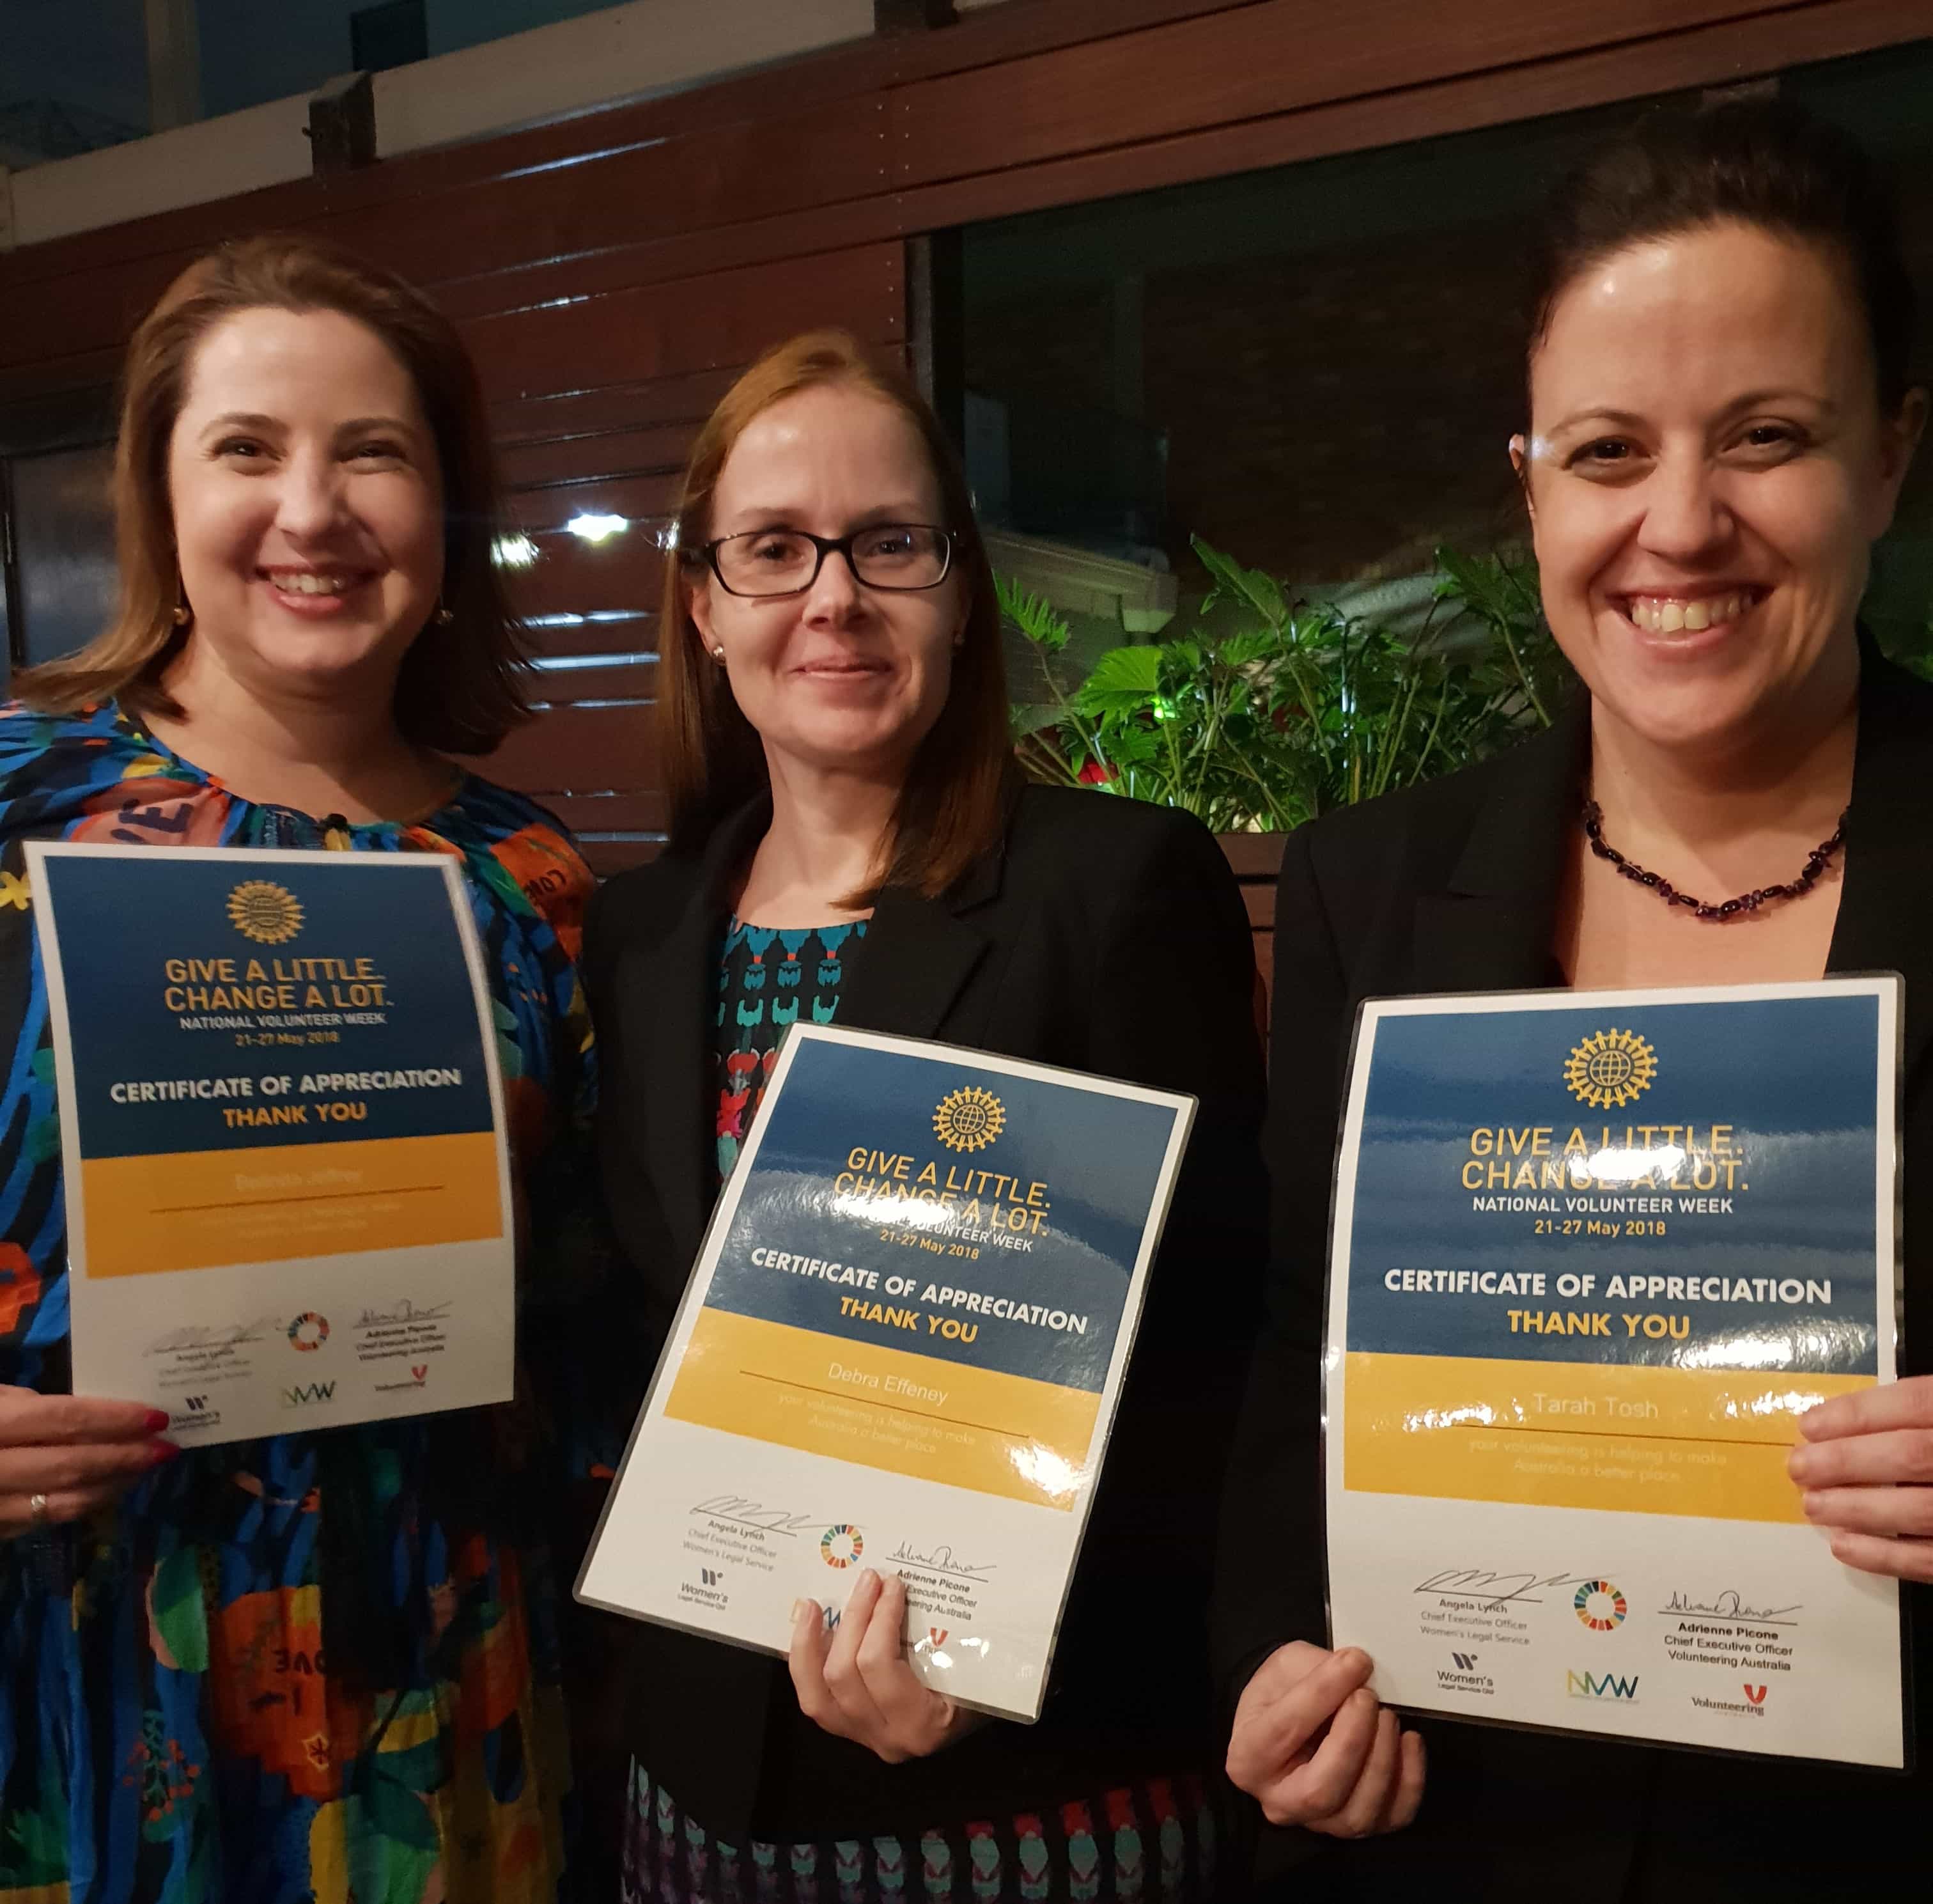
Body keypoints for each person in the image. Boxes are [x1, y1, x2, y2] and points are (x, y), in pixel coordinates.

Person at [1213, 97, 1930, 1898]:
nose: (1679, 524)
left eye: (1767, 437)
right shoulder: (1371, 887)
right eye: (1609, 449)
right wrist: (1271, 1667)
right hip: (1465, 1836)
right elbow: (1292, 1366)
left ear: (1893, 462)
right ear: (1531, 480)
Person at [577, 330, 1268, 1900]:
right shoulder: (643, 934)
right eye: (774, 549)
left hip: (1022, 1791)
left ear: (961, 588)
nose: (833, 595)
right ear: (705, 602)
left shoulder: (1114, 889)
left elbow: (1222, 1364)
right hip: (702, 1795)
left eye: (888, 543)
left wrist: (996, 1646)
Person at [0, 236, 594, 1903]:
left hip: (441, 1686)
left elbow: (595, 1298)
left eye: (374, 451)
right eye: (248, 448)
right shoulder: (17, 810)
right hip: (81, 1670)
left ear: (447, 511)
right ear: (159, 496)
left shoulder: (529, 874)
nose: (312, 508)